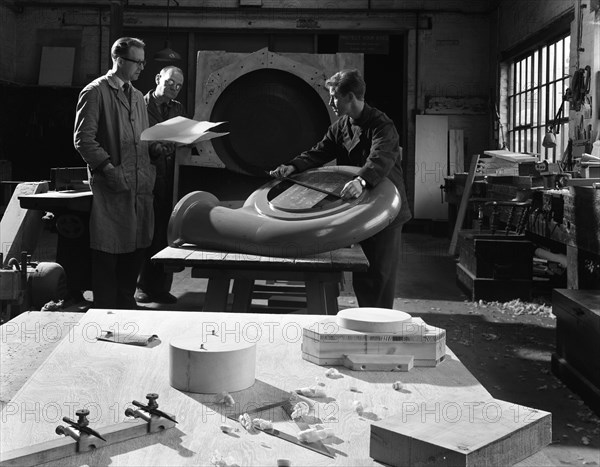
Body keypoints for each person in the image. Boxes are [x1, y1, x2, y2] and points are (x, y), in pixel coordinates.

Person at [270, 69, 412, 309]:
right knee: (363, 273)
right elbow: (319, 152)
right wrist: (292, 166)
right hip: (358, 208)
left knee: (380, 275)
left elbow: (379, 159)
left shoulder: (382, 126)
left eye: (334, 96)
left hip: (386, 210)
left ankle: (378, 327)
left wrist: (361, 180)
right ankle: (364, 320)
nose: (330, 102)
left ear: (351, 97)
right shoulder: (341, 126)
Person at [73, 37, 162, 309]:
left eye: (143, 62)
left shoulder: (136, 96)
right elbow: (83, 140)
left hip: (140, 183)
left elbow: (142, 139)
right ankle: (105, 310)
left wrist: (158, 148)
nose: (142, 68)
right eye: (138, 61)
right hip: (112, 185)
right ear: (119, 61)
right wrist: (109, 170)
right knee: (108, 250)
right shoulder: (95, 92)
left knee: (136, 247)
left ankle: (127, 303)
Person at [135, 66, 187, 304]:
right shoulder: (140, 105)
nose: (174, 89)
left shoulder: (177, 108)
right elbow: (133, 139)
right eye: (169, 83)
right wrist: (153, 148)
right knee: (146, 233)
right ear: (158, 78)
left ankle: (161, 288)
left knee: (166, 235)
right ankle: (141, 287)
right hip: (146, 176)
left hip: (169, 178)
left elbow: (178, 136)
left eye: (178, 86)